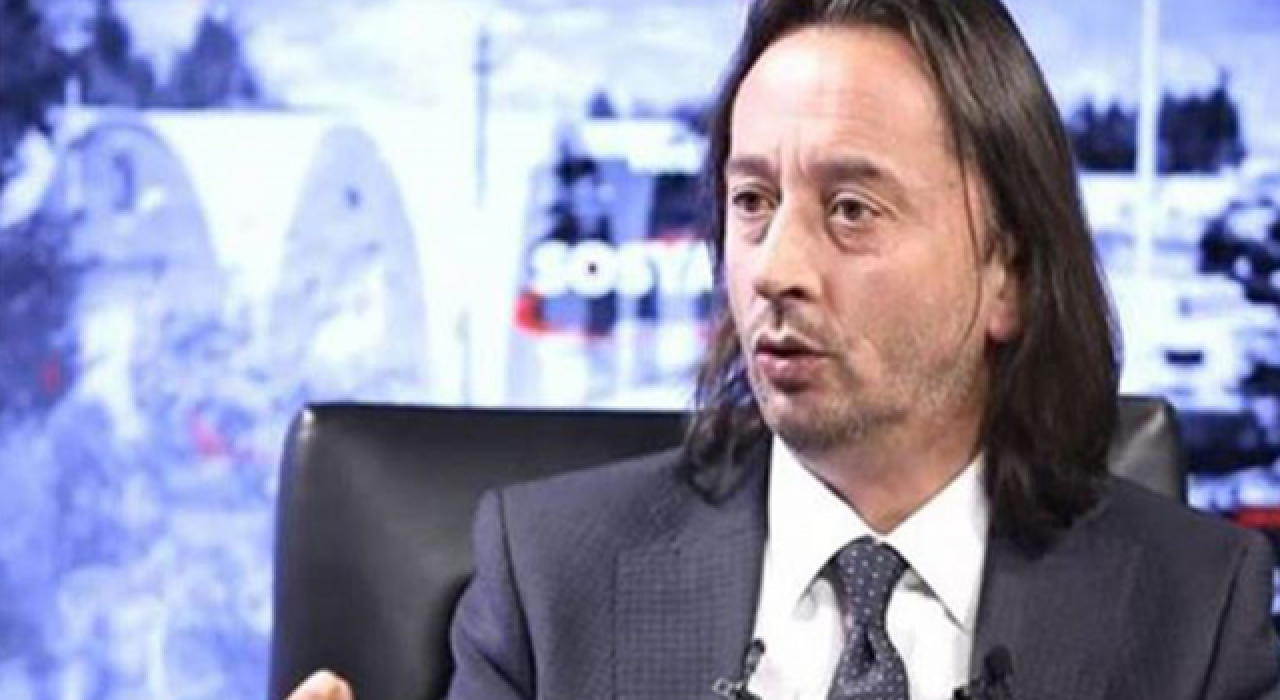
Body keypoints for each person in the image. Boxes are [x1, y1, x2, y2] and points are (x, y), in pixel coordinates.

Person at [292, 0, 1280, 698]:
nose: (774, 267)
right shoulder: (548, 585)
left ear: (1005, 275)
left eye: (850, 209)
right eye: (752, 201)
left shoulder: (1195, 617)